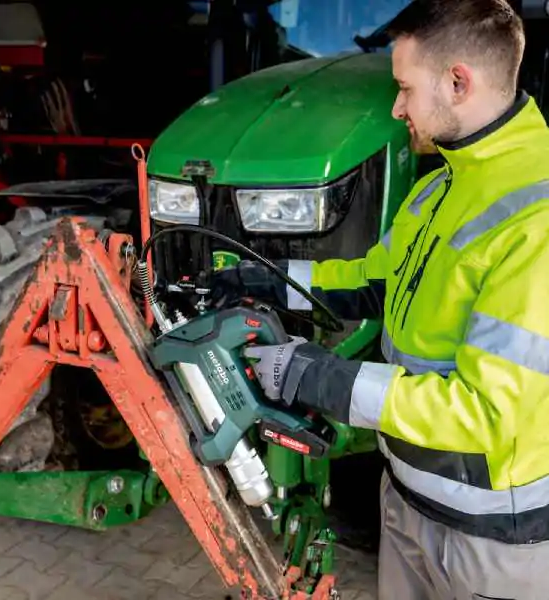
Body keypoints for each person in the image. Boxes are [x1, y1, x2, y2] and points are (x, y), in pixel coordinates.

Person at [212, 1, 549, 598]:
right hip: (407, 499)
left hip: (491, 539)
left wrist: (318, 377)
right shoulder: (440, 187)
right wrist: (265, 278)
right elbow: (375, 282)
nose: (396, 108)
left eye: (404, 88)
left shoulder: (536, 219)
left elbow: (486, 412)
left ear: (458, 82)